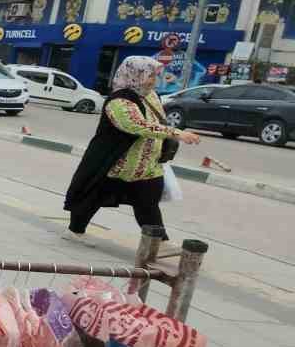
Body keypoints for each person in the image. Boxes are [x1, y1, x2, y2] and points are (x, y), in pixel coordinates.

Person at [63, 55, 199, 246]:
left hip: (147, 165)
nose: (153, 80)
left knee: (148, 204)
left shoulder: (150, 95)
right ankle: (75, 230)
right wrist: (175, 133)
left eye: (154, 76)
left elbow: (158, 119)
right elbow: (136, 125)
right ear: (134, 75)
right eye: (149, 76)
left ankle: (157, 242)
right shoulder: (119, 100)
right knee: (93, 198)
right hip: (117, 163)